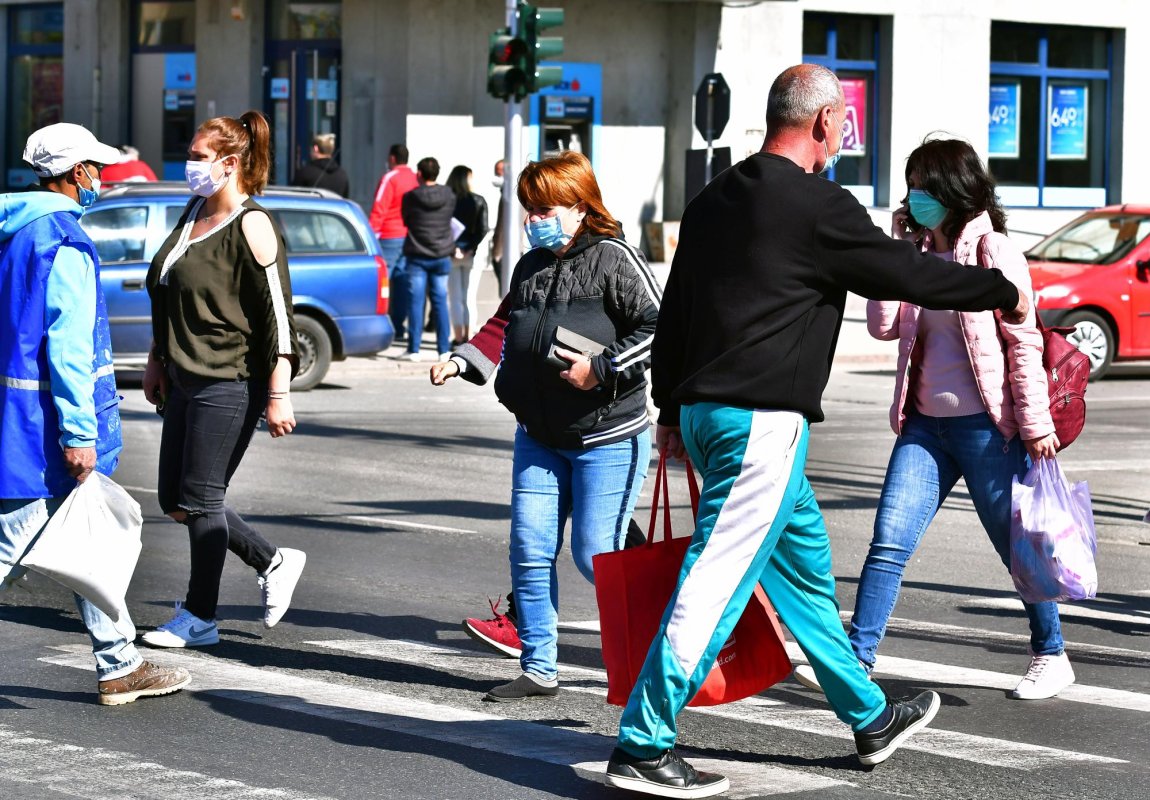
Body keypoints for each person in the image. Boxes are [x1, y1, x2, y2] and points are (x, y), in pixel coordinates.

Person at [604, 65, 1034, 798]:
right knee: (716, 577)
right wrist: (1001, 291)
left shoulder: (714, 199)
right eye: (844, 126)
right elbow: (907, 275)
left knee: (802, 570)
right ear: (829, 123)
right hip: (760, 425)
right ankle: (644, 743)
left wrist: (670, 410)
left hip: (712, 419)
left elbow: (676, 308)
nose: (844, 136)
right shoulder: (816, 205)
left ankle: (869, 717)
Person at [807, 137, 1069, 699]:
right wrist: (897, 249)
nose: (912, 197)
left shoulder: (993, 252)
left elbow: (1023, 341)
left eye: (921, 187)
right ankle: (858, 659)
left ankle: (1051, 652)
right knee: (889, 540)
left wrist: (1036, 422)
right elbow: (883, 328)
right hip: (924, 426)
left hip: (986, 427)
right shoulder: (918, 255)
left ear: (950, 191)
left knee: (1014, 543)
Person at [430, 150, 660, 701]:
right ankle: (538, 669)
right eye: (530, 209)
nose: (534, 219)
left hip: (608, 434)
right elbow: (505, 323)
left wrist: (602, 368)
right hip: (538, 435)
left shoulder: (614, 258)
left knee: (594, 552)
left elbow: (661, 327)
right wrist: (463, 359)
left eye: (545, 208)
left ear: (581, 207)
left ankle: (652, 652)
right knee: (529, 548)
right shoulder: (530, 266)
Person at [0, 122, 190, 705]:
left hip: (18, 419)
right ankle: (119, 663)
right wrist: (81, 434)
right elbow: (70, 349)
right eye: (97, 169)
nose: (100, 179)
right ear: (76, 172)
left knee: (85, 542)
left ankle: (119, 662)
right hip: (44, 432)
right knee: (13, 545)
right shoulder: (63, 240)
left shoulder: (13, 230)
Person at [141, 111, 307, 648]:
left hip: (231, 380)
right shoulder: (193, 212)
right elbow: (167, 292)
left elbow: (278, 316)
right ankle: (272, 560)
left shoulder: (252, 224)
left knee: (203, 499)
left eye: (196, 156)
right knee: (175, 499)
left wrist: (278, 393)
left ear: (230, 163)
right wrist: (156, 358)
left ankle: (200, 617)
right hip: (184, 376)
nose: (188, 165)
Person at [399, 157, 455, 361]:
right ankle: (443, 350)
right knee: (440, 301)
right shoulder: (449, 194)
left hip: (417, 254)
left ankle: (414, 349)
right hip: (441, 254)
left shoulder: (411, 197)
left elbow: (406, 219)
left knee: (416, 302)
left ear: (420, 174)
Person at [369, 144, 420, 342]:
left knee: (382, 282)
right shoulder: (416, 177)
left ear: (392, 158)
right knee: (402, 282)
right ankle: (399, 326)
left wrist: (371, 235)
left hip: (389, 235)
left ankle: (382, 326)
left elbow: (379, 207)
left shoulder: (389, 178)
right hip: (411, 236)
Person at [446, 164, 489, 346]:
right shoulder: (478, 200)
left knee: (455, 297)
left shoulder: (447, 200)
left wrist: (453, 247)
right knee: (469, 296)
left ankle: (457, 337)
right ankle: (469, 336)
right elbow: (483, 229)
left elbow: (442, 227)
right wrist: (470, 247)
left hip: (451, 253)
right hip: (471, 254)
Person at [291, 133, 349, 197]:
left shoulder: (305, 173)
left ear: (316, 148)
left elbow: (294, 199)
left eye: (311, 149)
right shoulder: (342, 175)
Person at [490, 158, 506, 293]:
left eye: (499, 173)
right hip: (500, 251)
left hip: (504, 252)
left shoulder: (512, 196)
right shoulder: (505, 195)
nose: (497, 177)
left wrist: (497, 253)